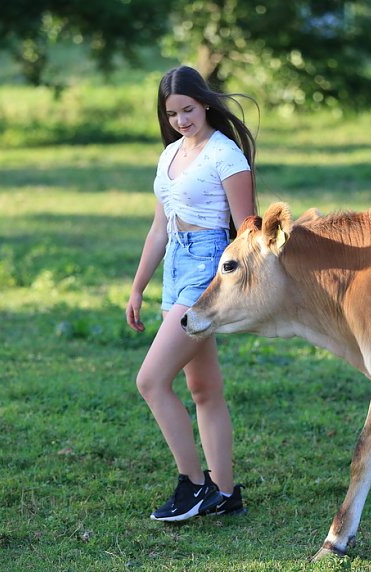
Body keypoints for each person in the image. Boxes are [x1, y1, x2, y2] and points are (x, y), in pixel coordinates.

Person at [125, 65, 257, 522]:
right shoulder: (170, 155)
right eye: (172, 114)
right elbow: (159, 229)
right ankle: (225, 493)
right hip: (176, 266)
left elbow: (246, 230)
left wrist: (234, 286)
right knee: (202, 388)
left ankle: (194, 485)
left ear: (204, 103)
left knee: (150, 381)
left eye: (187, 109)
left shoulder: (225, 155)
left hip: (207, 269)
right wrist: (138, 287)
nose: (181, 120)